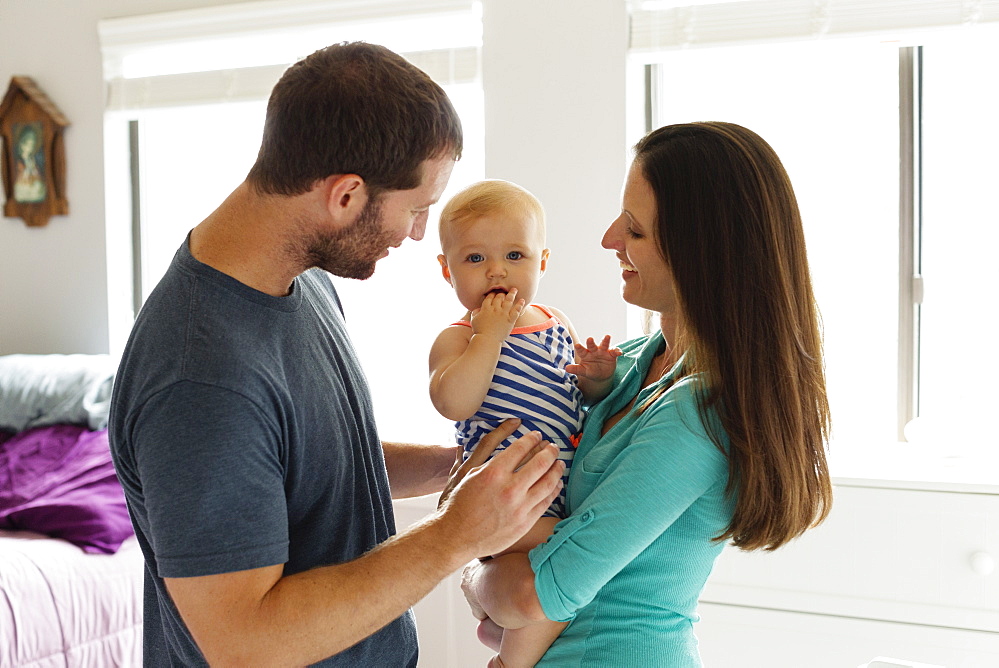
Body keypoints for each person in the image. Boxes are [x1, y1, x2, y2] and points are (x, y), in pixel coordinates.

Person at [108, 42, 565, 667]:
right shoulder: (199, 378)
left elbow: (298, 463)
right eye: (417, 209)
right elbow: (245, 644)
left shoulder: (305, 279)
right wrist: (456, 535)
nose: (416, 233)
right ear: (346, 196)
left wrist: (453, 470)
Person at [458, 121, 833, 667]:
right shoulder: (630, 364)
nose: (609, 239)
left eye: (634, 230)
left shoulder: (697, 413)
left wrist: (470, 563)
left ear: (700, 252)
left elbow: (531, 594)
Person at [429, 180, 621, 668]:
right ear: (446, 269)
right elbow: (453, 401)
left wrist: (596, 380)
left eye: (515, 255)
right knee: (572, 558)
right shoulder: (456, 339)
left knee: (550, 592)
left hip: (558, 492)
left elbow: (580, 399)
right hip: (502, 500)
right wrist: (487, 337)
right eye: (474, 259)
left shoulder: (556, 321)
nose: (496, 270)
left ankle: (507, 659)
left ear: (542, 262)